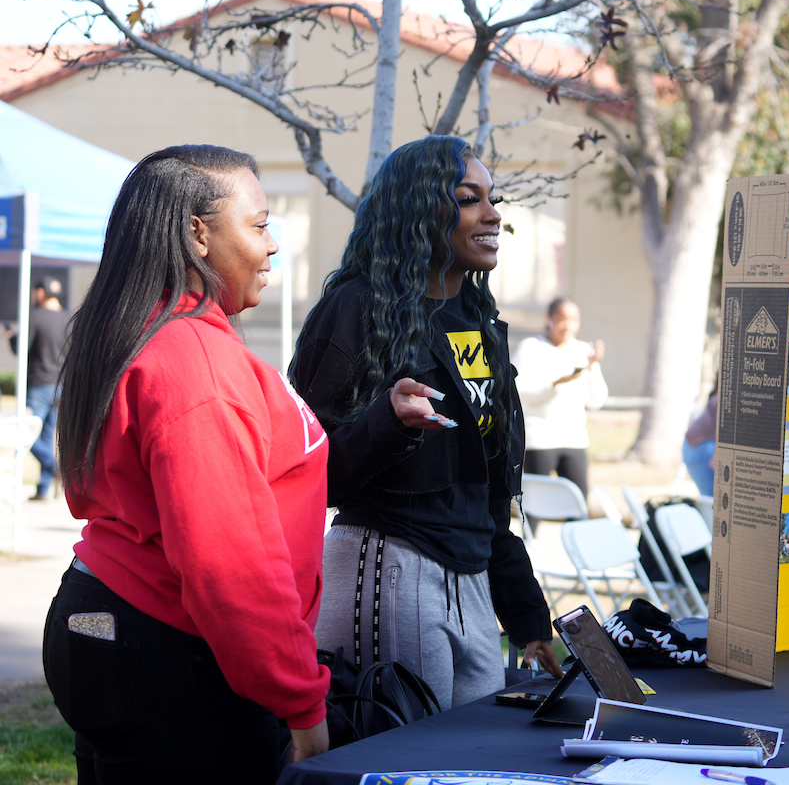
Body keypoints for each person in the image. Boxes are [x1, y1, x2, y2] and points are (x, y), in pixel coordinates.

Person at [43, 145, 331, 784]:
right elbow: (229, 560)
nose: (272, 245)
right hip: (171, 649)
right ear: (198, 235)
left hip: (109, 625)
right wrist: (301, 700)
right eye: (258, 225)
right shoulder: (193, 359)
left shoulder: (142, 329)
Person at [290, 135, 563, 711]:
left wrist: (525, 612)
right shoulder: (355, 310)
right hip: (390, 569)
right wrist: (390, 421)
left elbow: (485, 490)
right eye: (468, 198)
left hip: (473, 580)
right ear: (417, 209)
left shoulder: (480, 321)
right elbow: (309, 477)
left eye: (494, 198)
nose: (492, 214)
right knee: (402, 761)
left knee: (473, 760)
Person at [512, 297, 608, 497]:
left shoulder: (583, 350)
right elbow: (518, 392)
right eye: (562, 319)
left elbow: (596, 401)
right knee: (536, 504)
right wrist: (555, 384)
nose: (568, 325)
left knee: (579, 504)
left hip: (574, 439)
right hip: (540, 440)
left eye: (574, 319)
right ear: (550, 319)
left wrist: (593, 366)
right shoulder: (531, 347)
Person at [7, 277, 70, 500]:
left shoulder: (33, 316)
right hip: (61, 386)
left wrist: (11, 339)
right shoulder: (68, 317)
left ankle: (55, 469)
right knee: (45, 434)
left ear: (41, 293)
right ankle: (43, 489)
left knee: (28, 435)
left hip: (38, 384)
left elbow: (21, 347)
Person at [682, 388, 718, 497]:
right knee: (714, 503)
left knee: (711, 501)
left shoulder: (719, 396)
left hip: (692, 448)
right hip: (703, 451)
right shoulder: (727, 397)